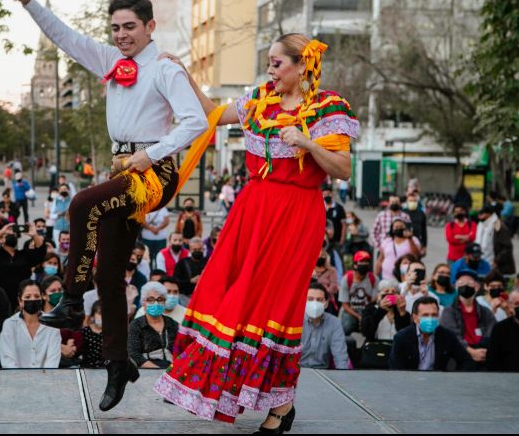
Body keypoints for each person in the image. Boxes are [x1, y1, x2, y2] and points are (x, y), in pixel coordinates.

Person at [155, 34, 358, 429]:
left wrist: (307, 143)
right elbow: (213, 112)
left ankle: (281, 405)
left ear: (302, 67)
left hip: (296, 214)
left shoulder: (326, 108)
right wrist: (185, 77)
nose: (270, 70)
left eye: (277, 63)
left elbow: (342, 169)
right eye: (269, 62)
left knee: (273, 304)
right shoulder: (260, 101)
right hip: (252, 210)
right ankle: (238, 390)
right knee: (230, 292)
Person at [0, 209, 46, 304]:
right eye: (8, 232)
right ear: (1, 239)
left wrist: (35, 235)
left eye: (13, 232)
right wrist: (2, 231)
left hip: (21, 302)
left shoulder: (24, 255)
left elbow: (41, 252)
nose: (11, 233)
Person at [389, 297, 471, 371]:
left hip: (437, 383)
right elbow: (396, 369)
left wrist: (454, 379)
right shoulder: (401, 338)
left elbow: (466, 360)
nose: (430, 319)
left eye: (434, 315)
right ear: (415, 318)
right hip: (410, 383)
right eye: (425, 315)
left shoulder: (447, 336)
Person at [0, 280, 62, 369]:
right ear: (20, 301)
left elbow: (52, 361)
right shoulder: (9, 325)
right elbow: (7, 360)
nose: (32, 299)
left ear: (41, 298)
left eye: (36, 296)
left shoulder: (52, 324)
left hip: (46, 380)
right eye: (28, 297)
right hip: (16, 380)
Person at [440, 270, 496, 368]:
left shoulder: (486, 312)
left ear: (477, 287)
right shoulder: (448, 311)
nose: (465, 285)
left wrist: (484, 351)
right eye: (461, 283)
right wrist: (472, 352)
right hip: (460, 354)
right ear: (456, 287)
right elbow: (452, 336)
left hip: (483, 352)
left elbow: (492, 333)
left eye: (469, 283)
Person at [127, 281, 178, 369]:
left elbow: (181, 351)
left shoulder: (172, 324)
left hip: (172, 371)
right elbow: (134, 355)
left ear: (164, 302)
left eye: (160, 299)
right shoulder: (136, 325)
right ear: (143, 302)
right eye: (150, 299)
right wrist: (158, 370)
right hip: (146, 372)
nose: (156, 303)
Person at [301, 283, 350, 370]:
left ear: (326, 303)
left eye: (319, 300)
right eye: (310, 299)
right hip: (296, 374)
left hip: (323, 374)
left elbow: (340, 355)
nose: (314, 303)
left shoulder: (335, 323)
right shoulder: (294, 322)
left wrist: (344, 377)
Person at [339, 251, 378, 335]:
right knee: (346, 326)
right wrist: (358, 316)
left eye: (366, 262)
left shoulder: (374, 279)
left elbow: (374, 301)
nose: (364, 264)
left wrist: (364, 317)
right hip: (350, 311)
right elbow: (344, 304)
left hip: (367, 311)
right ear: (355, 264)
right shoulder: (346, 279)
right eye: (362, 261)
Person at [361, 278, 411, 343]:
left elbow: (406, 335)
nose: (390, 294)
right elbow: (367, 333)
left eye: (393, 292)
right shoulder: (370, 309)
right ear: (379, 295)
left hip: (396, 347)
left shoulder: (401, 310)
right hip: (376, 347)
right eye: (386, 292)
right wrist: (380, 310)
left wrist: (402, 313)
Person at [81, 300, 106, 368]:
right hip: (86, 370)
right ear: (93, 315)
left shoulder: (112, 334)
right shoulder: (84, 331)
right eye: (100, 313)